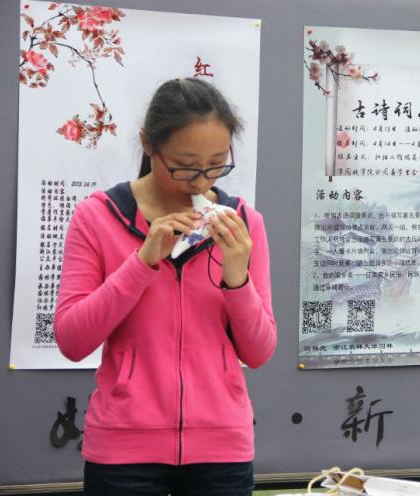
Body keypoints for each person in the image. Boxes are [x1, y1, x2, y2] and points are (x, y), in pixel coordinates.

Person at [53, 77, 277, 495]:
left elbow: (259, 352)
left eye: (216, 164)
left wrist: (237, 277)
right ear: (148, 145)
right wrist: (141, 263)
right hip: (123, 452)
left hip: (222, 451)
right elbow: (72, 340)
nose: (200, 181)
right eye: (185, 165)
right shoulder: (97, 217)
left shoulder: (244, 223)